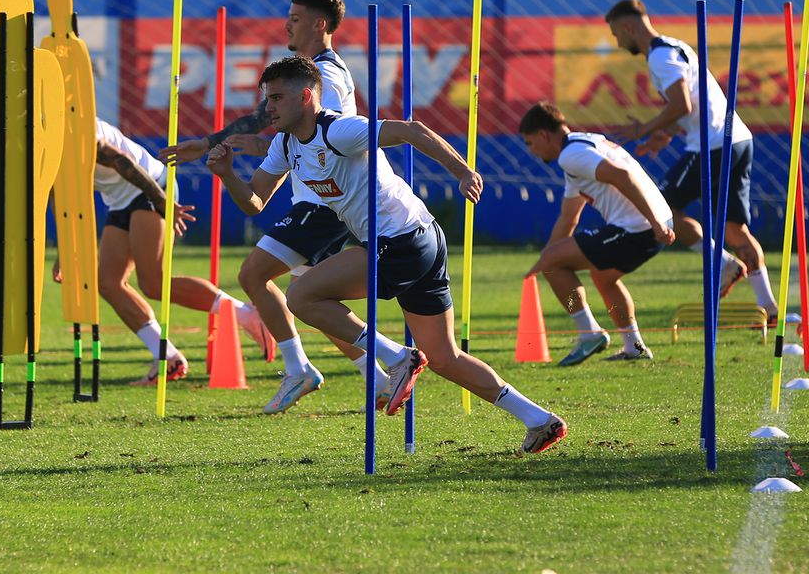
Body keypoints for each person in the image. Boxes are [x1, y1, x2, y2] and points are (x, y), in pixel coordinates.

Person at [207, 56, 567, 454]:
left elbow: (411, 130)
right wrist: (227, 175)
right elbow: (255, 202)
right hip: (424, 237)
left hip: (400, 240)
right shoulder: (285, 144)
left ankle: (398, 357)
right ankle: (539, 419)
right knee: (445, 357)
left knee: (302, 295)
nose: (268, 108)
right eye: (266, 99)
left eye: (275, 98)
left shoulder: (340, 130)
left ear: (306, 96)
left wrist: (463, 171)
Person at [160, 0, 387, 414]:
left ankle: (325, 366)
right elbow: (268, 121)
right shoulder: (307, 72)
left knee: (256, 275)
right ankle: (374, 375)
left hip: (326, 202)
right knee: (307, 297)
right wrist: (210, 141)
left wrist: (261, 149)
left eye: (296, 17)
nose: (287, 24)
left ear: (320, 24)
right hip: (317, 198)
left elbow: (326, 138)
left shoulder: (328, 77)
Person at [54, 117, 275, 385]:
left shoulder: (69, 124)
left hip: (150, 184)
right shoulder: (36, 142)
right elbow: (62, 196)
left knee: (154, 282)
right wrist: (64, 252)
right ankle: (168, 358)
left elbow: (121, 161)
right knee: (108, 283)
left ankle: (246, 314)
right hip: (119, 199)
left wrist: (162, 200)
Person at [605, 0, 779, 322]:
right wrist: (664, 134)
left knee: (662, 210)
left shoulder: (659, 57)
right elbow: (695, 104)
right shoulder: (674, 45)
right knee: (735, 229)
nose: (618, 42)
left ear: (629, 26)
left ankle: (724, 264)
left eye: (617, 34)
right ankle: (770, 309)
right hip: (737, 139)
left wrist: (645, 128)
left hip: (710, 145)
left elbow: (682, 105)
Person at [519, 102, 676, 365]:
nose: (531, 150)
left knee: (554, 265)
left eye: (530, 142)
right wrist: (543, 259)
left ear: (544, 135)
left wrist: (656, 224)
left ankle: (589, 333)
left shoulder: (571, 156)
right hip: (649, 223)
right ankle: (634, 346)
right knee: (604, 278)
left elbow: (622, 176)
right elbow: (569, 217)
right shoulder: (583, 144)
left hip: (639, 227)